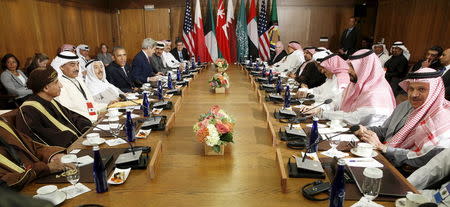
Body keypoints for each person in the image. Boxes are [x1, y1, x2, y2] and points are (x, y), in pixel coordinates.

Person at [355, 68, 450, 169]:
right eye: (411, 89)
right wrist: (363, 130)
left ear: (434, 91)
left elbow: (423, 158)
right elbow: (386, 131)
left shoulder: (443, 117)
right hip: (383, 158)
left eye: (421, 89)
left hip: (406, 172)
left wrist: (383, 148)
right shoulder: (404, 105)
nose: (414, 95)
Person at [301, 49, 396, 126]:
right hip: (346, 129)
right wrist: (317, 109)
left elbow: (355, 118)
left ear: (366, 69)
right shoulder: (355, 84)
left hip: (366, 142)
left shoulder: (378, 91)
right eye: (349, 65)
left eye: (353, 66)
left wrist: (322, 113)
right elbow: (336, 103)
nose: (348, 70)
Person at [16, 66, 91, 147]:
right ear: (46, 88)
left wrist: (87, 128)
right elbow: (39, 140)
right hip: (64, 152)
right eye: (56, 82)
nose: (61, 86)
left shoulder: (50, 100)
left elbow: (72, 117)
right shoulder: (28, 111)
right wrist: (76, 139)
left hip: (77, 142)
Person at [0, 118, 66, 191]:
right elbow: (4, 186)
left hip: (40, 180)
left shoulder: (2, 125)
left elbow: (32, 147)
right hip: (19, 196)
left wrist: (52, 156)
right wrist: (45, 168)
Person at [54, 51, 106, 122]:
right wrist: (95, 117)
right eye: (72, 65)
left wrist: (108, 106)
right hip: (81, 124)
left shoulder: (79, 80)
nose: (77, 68)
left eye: (77, 64)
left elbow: (90, 103)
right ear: (61, 67)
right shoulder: (58, 85)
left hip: (93, 119)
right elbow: (68, 111)